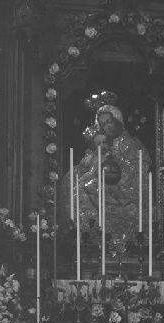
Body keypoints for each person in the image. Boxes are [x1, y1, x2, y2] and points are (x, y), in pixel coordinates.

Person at [63, 103, 152, 243]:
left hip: (126, 185)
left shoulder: (131, 143)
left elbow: (139, 169)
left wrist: (113, 174)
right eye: (103, 124)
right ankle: (86, 236)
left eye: (109, 122)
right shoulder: (102, 142)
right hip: (103, 180)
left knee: (92, 189)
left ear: (118, 121)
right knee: (73, 182)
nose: (107, 127)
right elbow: (92, 163)